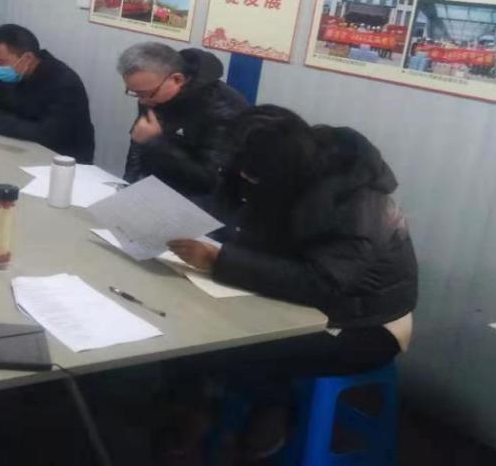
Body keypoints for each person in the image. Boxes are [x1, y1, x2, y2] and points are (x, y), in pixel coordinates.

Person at [162, 106, 417, 461]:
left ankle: (272, 411)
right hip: (301, 300)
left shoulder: (357, 204)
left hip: (363, 323)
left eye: (254, 179)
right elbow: (242, 216)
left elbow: (321, 282)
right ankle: (195, 411)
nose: (247, 182)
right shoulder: (286, 166)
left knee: (227, 348)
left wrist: (222, 261)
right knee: (185, 322)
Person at [118, 42, 248, 199]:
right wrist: (128, 186)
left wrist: (155, 141)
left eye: (145, 94)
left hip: (202, 200)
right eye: (135, 93)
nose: (142, 101)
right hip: (156, 189)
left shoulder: (224, 109)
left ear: (177, 79)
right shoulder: (152, 94)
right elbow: (138, 145)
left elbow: (210, 181)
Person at [0, 24, 95, 163]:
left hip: (61, 161)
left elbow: (47, 135)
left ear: (27, 58)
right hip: (20, 150)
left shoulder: (63, 83)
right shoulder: (17, 74)